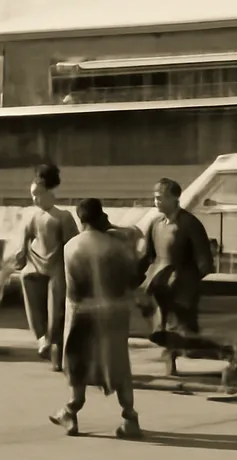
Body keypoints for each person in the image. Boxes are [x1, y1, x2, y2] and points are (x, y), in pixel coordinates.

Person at [50, 198, 142, 440]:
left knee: (77, 363)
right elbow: (132, 275)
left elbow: (67, 287)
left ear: (81, 220)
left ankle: (71, 411)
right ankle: (129, 416)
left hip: (82, 311)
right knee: (118, 363)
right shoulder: (117, 246)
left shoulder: (70, 247)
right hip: (114, 312)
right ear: (102, 217)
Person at [139, 177, 214, 376]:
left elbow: (204, 261)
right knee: (162, 325)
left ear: (174, 198)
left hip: (182, 282)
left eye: (161, 197)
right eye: (155, 197)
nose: (156, 201)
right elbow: (147, 255)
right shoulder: (155, 224)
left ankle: (173, 358)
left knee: (178, 326)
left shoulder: (189, 224)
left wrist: (190, 281)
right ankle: (170, 359)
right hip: (159, 281)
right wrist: (133, 275)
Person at [15, 163, 78, 370]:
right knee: (33, 301)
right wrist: (21, 254)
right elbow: (24, 240)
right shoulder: (31, 216)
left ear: (50, 192)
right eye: (32, 195)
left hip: (56, 267)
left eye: (38, 194)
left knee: (56, 311)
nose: (35, 199)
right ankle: (41, 338)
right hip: (35, 264)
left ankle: (54, 346)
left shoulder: (63, 217)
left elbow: (73, 245)